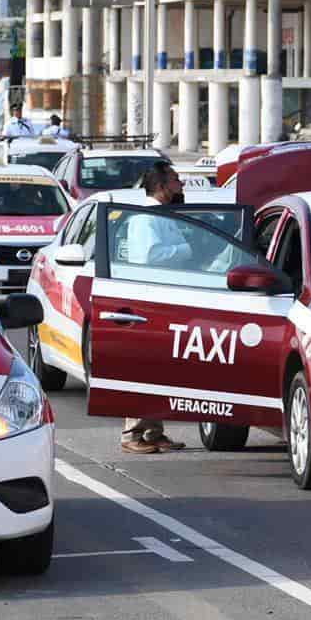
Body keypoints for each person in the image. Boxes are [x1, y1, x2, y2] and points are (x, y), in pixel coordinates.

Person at [119, 161, 189, 455]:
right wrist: (188, 250)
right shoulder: (147, 219)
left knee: (160, 370)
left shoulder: (162, 215)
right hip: (149, 302)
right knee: (145, 369)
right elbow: (150, 256)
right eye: (175, 180)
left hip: (166, 300)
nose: (180, 185)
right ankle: (132, 433)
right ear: (161, 186)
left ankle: (153, 431)